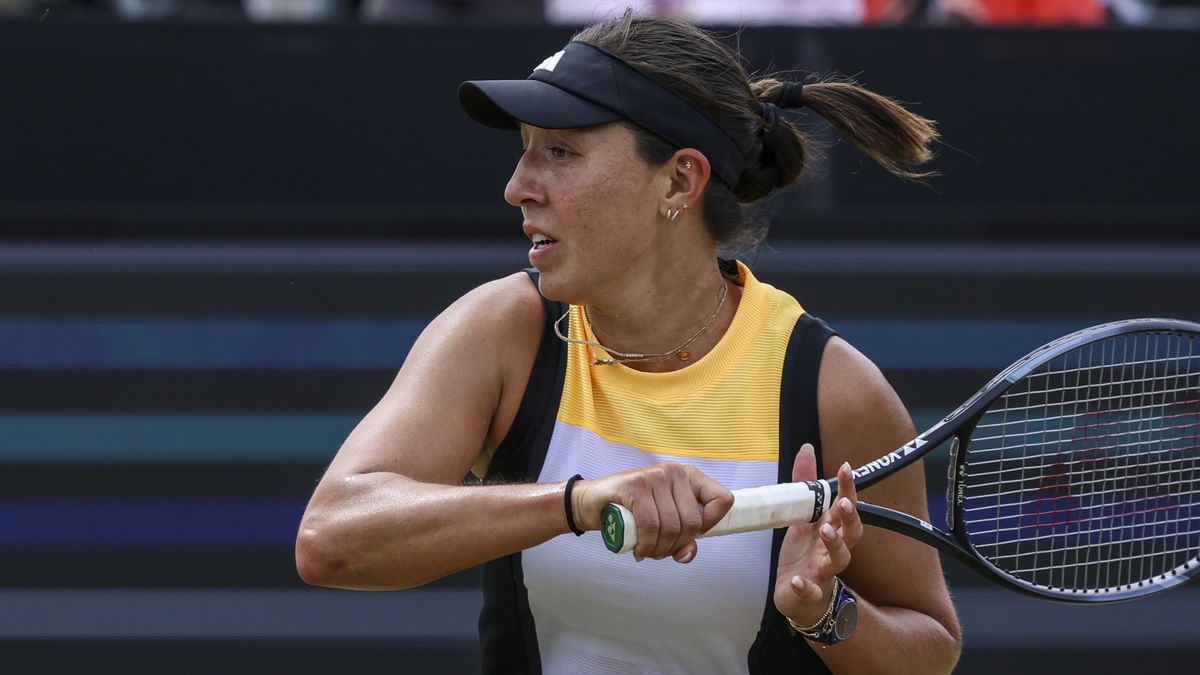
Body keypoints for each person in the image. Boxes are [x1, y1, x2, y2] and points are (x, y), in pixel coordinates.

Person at [296, 11, 961, 674]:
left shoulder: (831, 390)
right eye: (525, 148)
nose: (518, 187)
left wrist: (826, 611)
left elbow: (930, 650)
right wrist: (578, 501)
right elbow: (330, 538)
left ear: (678, 181)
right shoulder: (504, 331)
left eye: (559, 152)